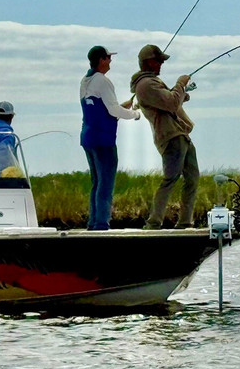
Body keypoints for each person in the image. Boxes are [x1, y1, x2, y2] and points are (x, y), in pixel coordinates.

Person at [129, 44, 198, 229]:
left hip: (180, 134)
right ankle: (154, 223)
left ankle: (185, 222)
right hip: (170, 137)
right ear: (149, 62)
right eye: (159, 61)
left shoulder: (151, 83)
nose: (161, 64)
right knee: (170, 179)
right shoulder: (146, 85)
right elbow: (171, 103)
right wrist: (180, 83)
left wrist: (182, 94)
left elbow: (170, 101)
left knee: (192, 179)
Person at [80, 45, 140, 230]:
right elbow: (113, 110)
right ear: (101, 60)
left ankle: (93, 223)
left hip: (88, 137)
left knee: (96, 183)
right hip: (103, 140)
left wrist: (122, 107)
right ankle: (101, 224)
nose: (110, 60)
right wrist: (135, 114)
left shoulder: (85, 81)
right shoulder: (103, 81)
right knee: (105, 184)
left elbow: (102, 111)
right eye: (108, 57)